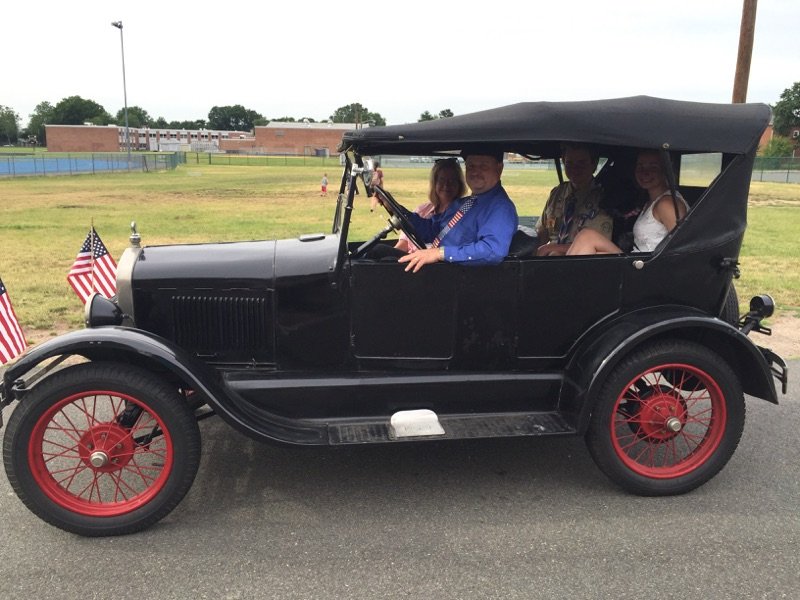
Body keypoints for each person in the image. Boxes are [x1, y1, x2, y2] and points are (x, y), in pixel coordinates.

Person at [396, 150, 518, 272]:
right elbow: (435, 230)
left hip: (462, 277)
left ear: (499, 169)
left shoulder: (500, 208)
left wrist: (440, 253)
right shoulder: (462, 204)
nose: (475, 172)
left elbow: (492, 251)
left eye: (483, 166)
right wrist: (402, 214)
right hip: (439, 271)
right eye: (471, 166)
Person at [566, 150, 688, 255]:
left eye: (653, 167)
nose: (645, 172)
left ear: (665, 170)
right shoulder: (651, 201)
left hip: (650, 268)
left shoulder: (667, 204)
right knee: (588, 245)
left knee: (587, 237)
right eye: (640, 166)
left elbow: (684, 248)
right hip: (639, 260)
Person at [536, 144, 612, 256]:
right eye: (569, 163)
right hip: (549, 259)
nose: (575, 169)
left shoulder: (604, 199)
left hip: (581, 261)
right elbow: (542, 234)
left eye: (582, 163)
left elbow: (598, 246)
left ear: (594, 164)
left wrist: (550, 248)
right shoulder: (557, 193)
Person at [395, 158, 467, 253]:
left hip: (430, 260)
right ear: (435, 183)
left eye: (452, 181)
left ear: (459, 184)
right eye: (441, 180)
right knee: (379, 250)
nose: (446, 185)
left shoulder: (461, 213)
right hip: (409, 258)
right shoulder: (421, 210)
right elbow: (404, 243)